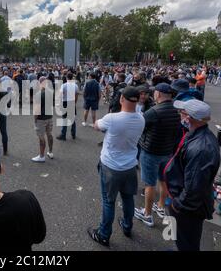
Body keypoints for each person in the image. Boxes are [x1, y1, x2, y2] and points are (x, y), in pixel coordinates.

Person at [88, 86, 145, 246]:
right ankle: (127, 226)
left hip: (111, 167)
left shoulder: (112, 118)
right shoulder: (141, 119)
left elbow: (96, 125)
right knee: (127, 198)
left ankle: (104, 234)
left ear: (121, 99)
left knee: (108, 201)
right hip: (130, 166)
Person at [165, 99, 220, 251]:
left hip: (188, 208)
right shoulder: (197, 134)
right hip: (185, 200)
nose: (180, 116)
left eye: (182, 113)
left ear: (189, 118)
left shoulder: (202, 148)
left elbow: (194, 187)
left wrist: (178, 204)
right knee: (182, 237)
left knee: (188, 241)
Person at [134, 83, 181, 227]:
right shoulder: (176, 111)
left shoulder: (154, 111)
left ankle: (147, 214)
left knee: (149, 183)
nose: (153, 94)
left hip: (151, 151)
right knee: (163, 180)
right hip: (167, 152)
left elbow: (139, 127)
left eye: (155, 92)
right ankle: (160, 207)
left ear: (159, 94)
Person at [31, 77, 54, 163]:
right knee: (49, 135)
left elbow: (37, 110)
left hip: (41, 118)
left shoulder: (39, 94)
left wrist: (35, 120)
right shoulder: (51, 92)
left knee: (41, 137)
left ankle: (41, 156)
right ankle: (50, 152)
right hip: (49, 117)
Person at [57, 72, 78, 141]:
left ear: (66, 77)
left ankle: (63, 135)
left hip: (65, 102)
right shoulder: (75, 85)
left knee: (64, 119)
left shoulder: (64, 85)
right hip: (72, 102)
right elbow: (76, 95)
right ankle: (73, 134)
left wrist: (59, 103)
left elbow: (60, 95)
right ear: (72, 78)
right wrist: (74, 102)